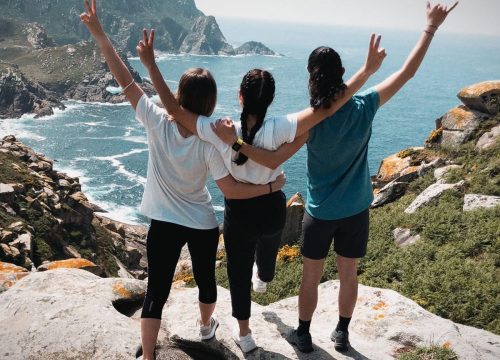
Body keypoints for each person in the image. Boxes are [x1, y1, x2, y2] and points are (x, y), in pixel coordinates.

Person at [210, 1, 459, 353]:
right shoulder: (366, 105)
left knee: (310, 277)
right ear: (342, 72)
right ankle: (342, 332)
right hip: (356, 209)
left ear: (312, 77)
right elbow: (407, 73)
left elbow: (272, 158)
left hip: (320, 212)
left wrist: (235, 143)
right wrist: (429, 28)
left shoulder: (312, 122)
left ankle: (304, 333)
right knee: (348, 274)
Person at [137, 28, 385, 353]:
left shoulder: (221, 130)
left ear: (240, 96)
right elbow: (327, 108)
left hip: (239, 213)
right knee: (266, 257)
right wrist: (365, 71)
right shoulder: (282, 126)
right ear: (271, 99)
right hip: (272, 209)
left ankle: (244, 334)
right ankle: (265, 275)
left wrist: (152, 65)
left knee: (237, 276)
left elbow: (173, 108)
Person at [79, 1, 287, 360]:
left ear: (178, 96)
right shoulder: (210, 142)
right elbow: (230, 191)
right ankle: (207, 329)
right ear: (209, 103)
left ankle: (147, 357)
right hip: (202, 223)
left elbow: (125, 81)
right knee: (207, 283)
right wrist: (270, 186)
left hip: (163, 222)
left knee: (156, 291)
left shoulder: (155, 120)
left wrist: (100, 36)